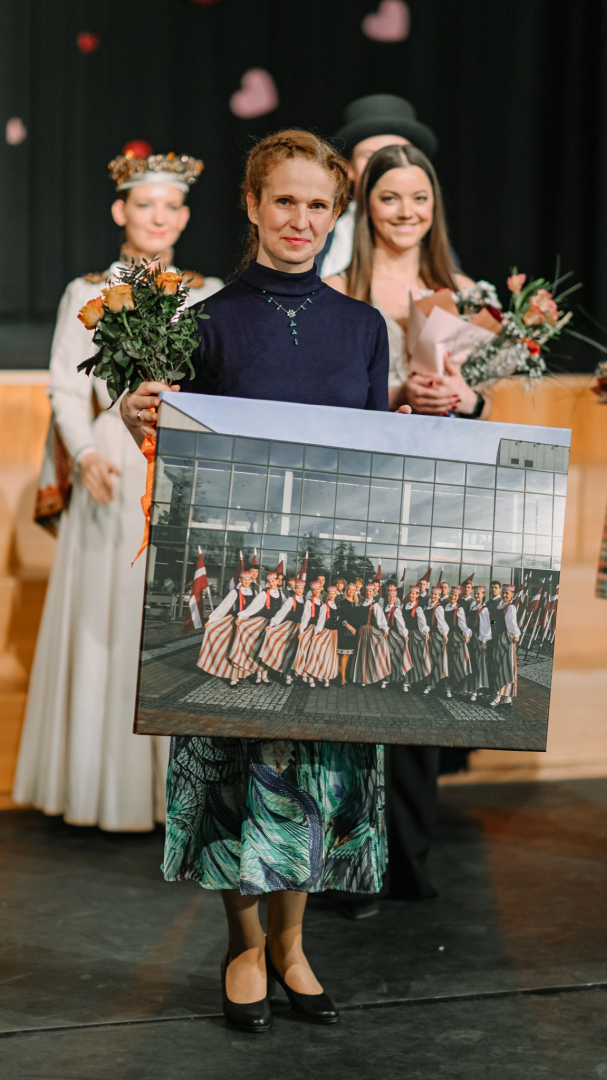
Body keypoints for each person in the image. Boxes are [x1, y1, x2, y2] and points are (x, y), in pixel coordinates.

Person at [121, 128, 411, 1030]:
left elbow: (374, 469)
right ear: (251, 205)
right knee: (235, 765)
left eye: (318, 204)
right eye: (284, 200)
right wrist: (137, 414)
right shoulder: (204, 320)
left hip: (326, 587)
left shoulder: (363, 328)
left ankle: (293, 945)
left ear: (337, 215)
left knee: (316, 764)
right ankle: (243, 944)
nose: (301, 219)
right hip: (233, 584)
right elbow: (175, 451)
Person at [12, 146, 222, 831]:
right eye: (145, 204)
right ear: (119, 211)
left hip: (180, 464)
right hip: (111, 461)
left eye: (171, 206)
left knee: (172, 619)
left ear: (184, 216)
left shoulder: (207, 292)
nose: (158, 217)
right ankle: (99, 788)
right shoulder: (87, 291)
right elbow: (65, 387)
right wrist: (84, 453)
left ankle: (175, 791)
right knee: (107, 619)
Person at [324, 143, 487, 418]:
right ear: (367, 205)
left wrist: (469, 400)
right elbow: (323, 394)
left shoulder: (465, 292)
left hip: (447, 443)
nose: (406, 212)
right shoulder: (336, 291)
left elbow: (488, 404)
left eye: (420, 198)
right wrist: (398, 396)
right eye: (390, 199)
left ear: (434, 204)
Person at [320, 94, 437, 280]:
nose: (387, 167)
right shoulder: (320, 237)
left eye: (398, 155)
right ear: (349, 167)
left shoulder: (433, 243)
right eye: (372, 157)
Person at [198, 569, 256, 681]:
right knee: (233, 646)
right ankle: (233, 676)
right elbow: (224, 606)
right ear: (240, 580)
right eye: (244, 580)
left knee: (245, 648)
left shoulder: (254, 593)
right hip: (236, 622)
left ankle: (242, 672)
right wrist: (211, 620)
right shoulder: (235, 592)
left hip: (248, 624)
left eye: (248, 580)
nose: (246, 582)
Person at [261, 580, 306, 684]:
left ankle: (289, 673)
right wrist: (272, 624)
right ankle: (281, 673)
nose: (300, 590)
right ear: (295, 589)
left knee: (294, 651)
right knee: (286, 649)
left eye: (302, 588)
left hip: (299, 627)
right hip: (289, 626)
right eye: (298, 588)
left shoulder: (304, 600)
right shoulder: (291, 600)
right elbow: (282, 612)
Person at [353, 583, 391, 687]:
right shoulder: (361, 603)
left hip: (371, 631)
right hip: (362, 631)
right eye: (367, 591)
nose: (368, 593)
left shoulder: (375, 605)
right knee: (363, 654)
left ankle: (376, 676)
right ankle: (363, 678)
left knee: (372, 654)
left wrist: (385, 629)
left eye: (370, 591)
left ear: (373, 592)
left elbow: (380, 619)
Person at [303, 584, 341, 688]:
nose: (332, 595)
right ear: (327, 594)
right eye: (330, 594)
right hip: (325, 632)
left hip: (334, 634)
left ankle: (326, 678)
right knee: (318, 653)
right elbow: (321, 620)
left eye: (333, 594)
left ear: (336, 595)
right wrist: (316, 633)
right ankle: (311, 676)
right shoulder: (324, 606)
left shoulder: (336, 606)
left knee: (330, 657)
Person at [489, 585, 520, 708]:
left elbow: (512, 622)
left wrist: (515, 634)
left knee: (505, 666)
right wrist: (491, 624)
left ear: (512, 595)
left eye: (507, 593)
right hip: (498, 637)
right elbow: (494, 621)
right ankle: (507, 699)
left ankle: (498, 696)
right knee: (498, 665)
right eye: (503, 593)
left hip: (506, 637)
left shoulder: (510, 607)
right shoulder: (499, 606)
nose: (504, 595)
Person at [443, 585, 473, 700]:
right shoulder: (443, 607)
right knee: (445, 661)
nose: (453, 597)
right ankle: (444, 686)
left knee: (454, 662)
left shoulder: (459, 609)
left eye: (455, 595)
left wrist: (466, 634)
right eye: (451, 594)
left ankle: (451, 687)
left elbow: (463, 624)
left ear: (458, 597)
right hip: (444, 637)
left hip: (454, 637)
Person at [383, 583, 412, 690]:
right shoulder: (383, 608)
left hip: (394, 635)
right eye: (389, 596)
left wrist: (405, 634)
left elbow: (401, 624)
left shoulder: (396, 609)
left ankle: (400, 679)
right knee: (385, 657)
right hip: (385, 635)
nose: (391, 598)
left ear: (395, 598)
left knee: (396, 656)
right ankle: (385, 679)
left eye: (393, 597)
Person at [422, 585, 449, 696]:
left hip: (436, 636)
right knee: (428, 660)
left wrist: (445, 634)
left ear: (439, 596)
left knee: (436, 660)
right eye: (432, 594)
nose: (433, 596)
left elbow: (441, 622)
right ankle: (428, 684)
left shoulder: (438, 608)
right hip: (427, 636)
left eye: (436, 595)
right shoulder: (427, 607)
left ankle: (434, 684)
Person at [466, 587, 491, 702]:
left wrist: (484, 641)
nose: (476, 596)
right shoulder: (473, 607)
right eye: (475, 594)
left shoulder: (484, 609)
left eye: (479, 594)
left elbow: (487, 626)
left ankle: (476, 690)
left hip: (478, 638)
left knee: (477, 664)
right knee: (471, 663)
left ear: (483, 595)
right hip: (470, 637)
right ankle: (471, 688)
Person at [337, 580, 361, 686]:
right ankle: (342, 678)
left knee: (349, 655)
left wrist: (355, 629)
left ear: (355, 591)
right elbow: (340, 618)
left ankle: (345, 676)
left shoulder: (356, 604)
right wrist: (349, 627)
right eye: (349, 590)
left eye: (353, 590)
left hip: (354, 632)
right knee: (344, 655)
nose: (351, 592)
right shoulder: (342, 603)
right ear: (346, 590)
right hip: (345, 631)